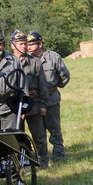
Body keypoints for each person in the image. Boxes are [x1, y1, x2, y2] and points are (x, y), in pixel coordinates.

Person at [26, 32, 70, 162]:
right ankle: (41, 156)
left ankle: (58, 153)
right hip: (34, 100)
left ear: (40, 44)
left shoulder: (53, 57)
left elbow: (65, 76)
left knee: (54, 127)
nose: (28, 46)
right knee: (38, 131)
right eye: (27, 44)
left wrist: (54, 87)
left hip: (51, 99)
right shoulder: (27, 59)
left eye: (32, 44)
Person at [10, 29, 49, 167]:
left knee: (39, 136)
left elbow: (43, 85)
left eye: (26, 44)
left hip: (33, 103)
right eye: (21, 44)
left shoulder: (35, 62)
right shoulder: (8, 62)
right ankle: (20, 163)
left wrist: (43, 105)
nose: (24, 47)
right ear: (13, 45)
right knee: (17, 137)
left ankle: (43, 161)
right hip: (15, 106)